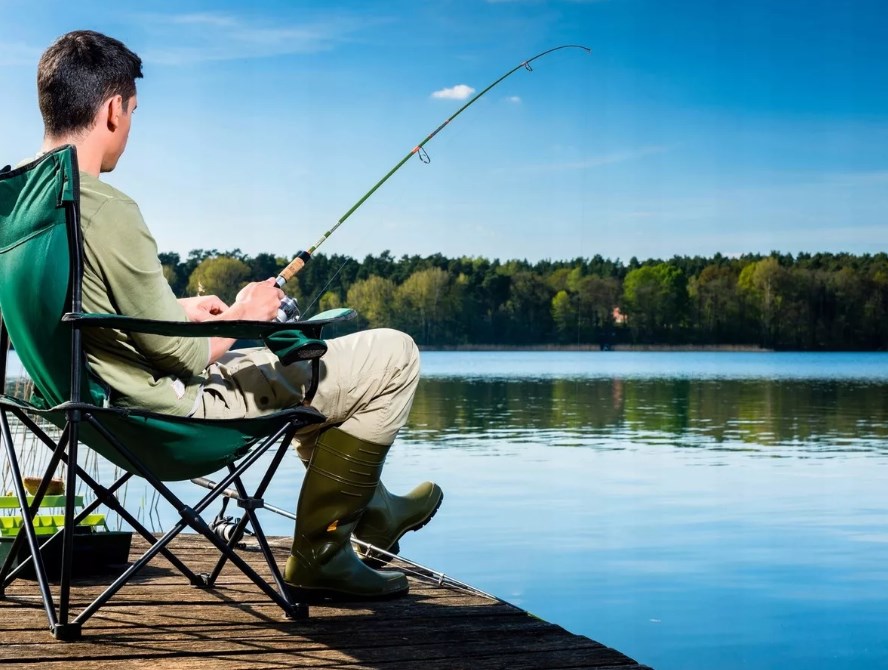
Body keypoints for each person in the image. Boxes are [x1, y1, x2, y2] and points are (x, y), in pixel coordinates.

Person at [32, 30, 443, 601]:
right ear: (110, 110)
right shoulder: (105, 207)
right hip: (167, 421)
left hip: (85, 414)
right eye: (131, 111)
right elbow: (181, 355)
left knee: (301, 365)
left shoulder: (21, 204)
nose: (130, 126)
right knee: (392, 355)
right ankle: (326, 549)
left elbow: (73, 310)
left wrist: (176, 309)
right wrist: (246, 312)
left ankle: (370, 508)